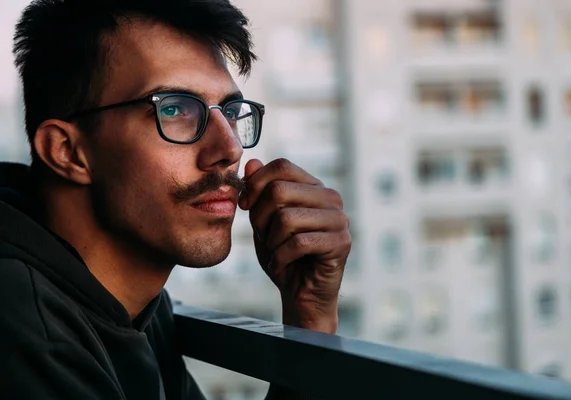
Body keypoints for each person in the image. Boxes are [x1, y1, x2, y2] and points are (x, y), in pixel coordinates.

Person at [0, 0, 351, 398]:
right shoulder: (26, 327)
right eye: (174, 109)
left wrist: (310, 316)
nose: (230, 148)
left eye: (231, 111)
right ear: (66, 151)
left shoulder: (136, 305)